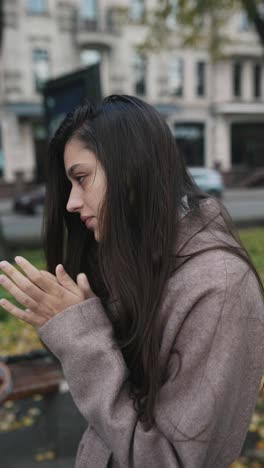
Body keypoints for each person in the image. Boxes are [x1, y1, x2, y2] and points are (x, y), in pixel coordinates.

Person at [0, 95, 263, 468]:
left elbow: (164, 460)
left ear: (131, 169)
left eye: (81, 178)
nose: (72, 202)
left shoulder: (219, 288)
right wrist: (91, 324)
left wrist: (83, 339)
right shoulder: (143, 262)